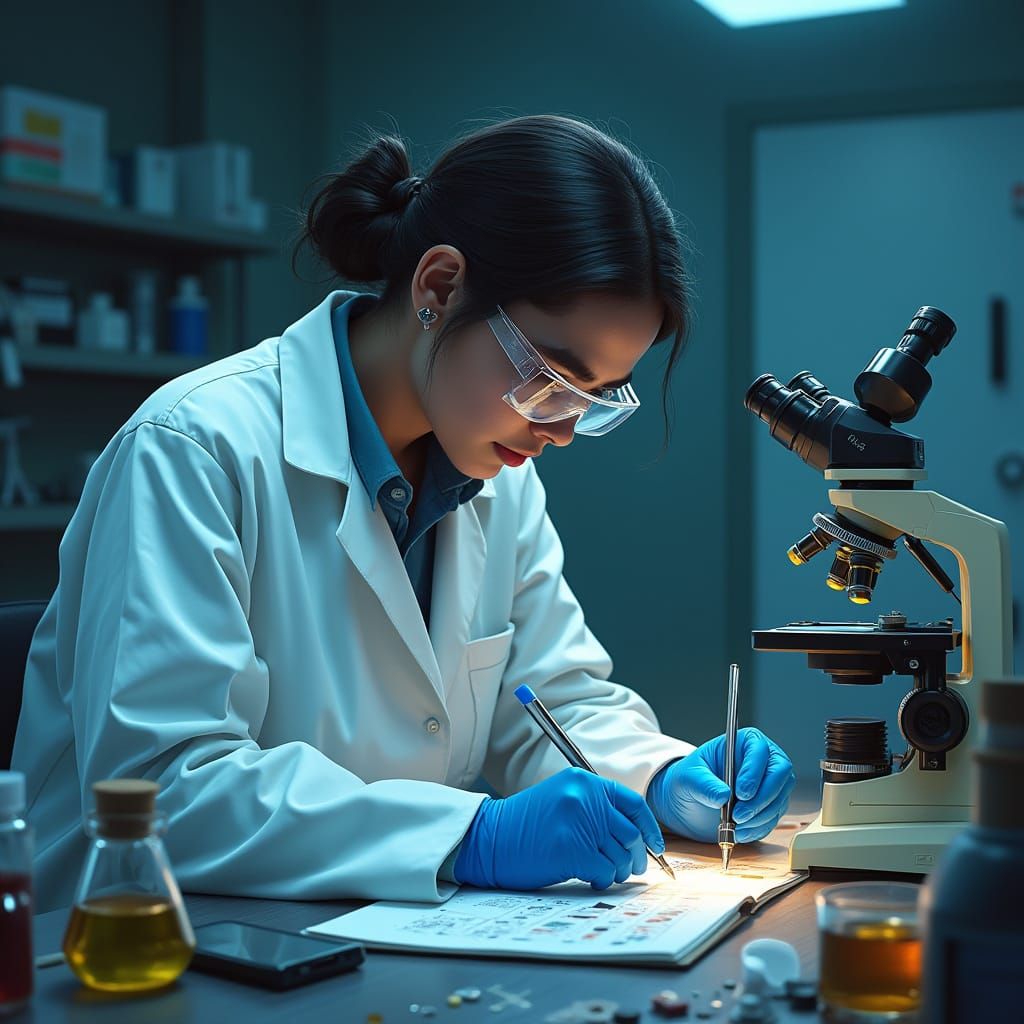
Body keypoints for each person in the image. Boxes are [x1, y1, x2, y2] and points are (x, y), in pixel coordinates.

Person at [13, 114, 795, 913]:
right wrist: (472, 837)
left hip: (362, 939)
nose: (562, 429)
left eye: (596, 399)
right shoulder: (193, 447)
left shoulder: (499, 473)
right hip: (147, 948)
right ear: (439, 287)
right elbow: (162, 787)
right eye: (555, 377)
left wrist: (663, 777)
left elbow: (552, 702)